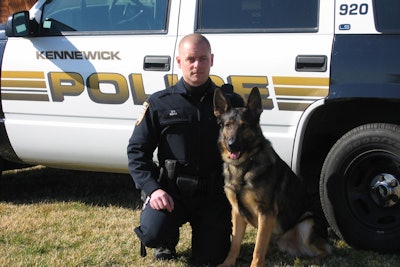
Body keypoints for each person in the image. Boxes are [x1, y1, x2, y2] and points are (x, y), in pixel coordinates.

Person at [127, 33, 244, 265]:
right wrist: (153, 190)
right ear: (179, 62)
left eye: (202, 59)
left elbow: (249, 147)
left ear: (211, 59)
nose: (197, 65)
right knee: (152, 232)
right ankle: (166, 240)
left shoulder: (232, 102)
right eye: (190, 59)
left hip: (213, 196)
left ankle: (209, 234)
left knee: (211, 258)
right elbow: (137, 151)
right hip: (172, 194)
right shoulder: (160, 103)